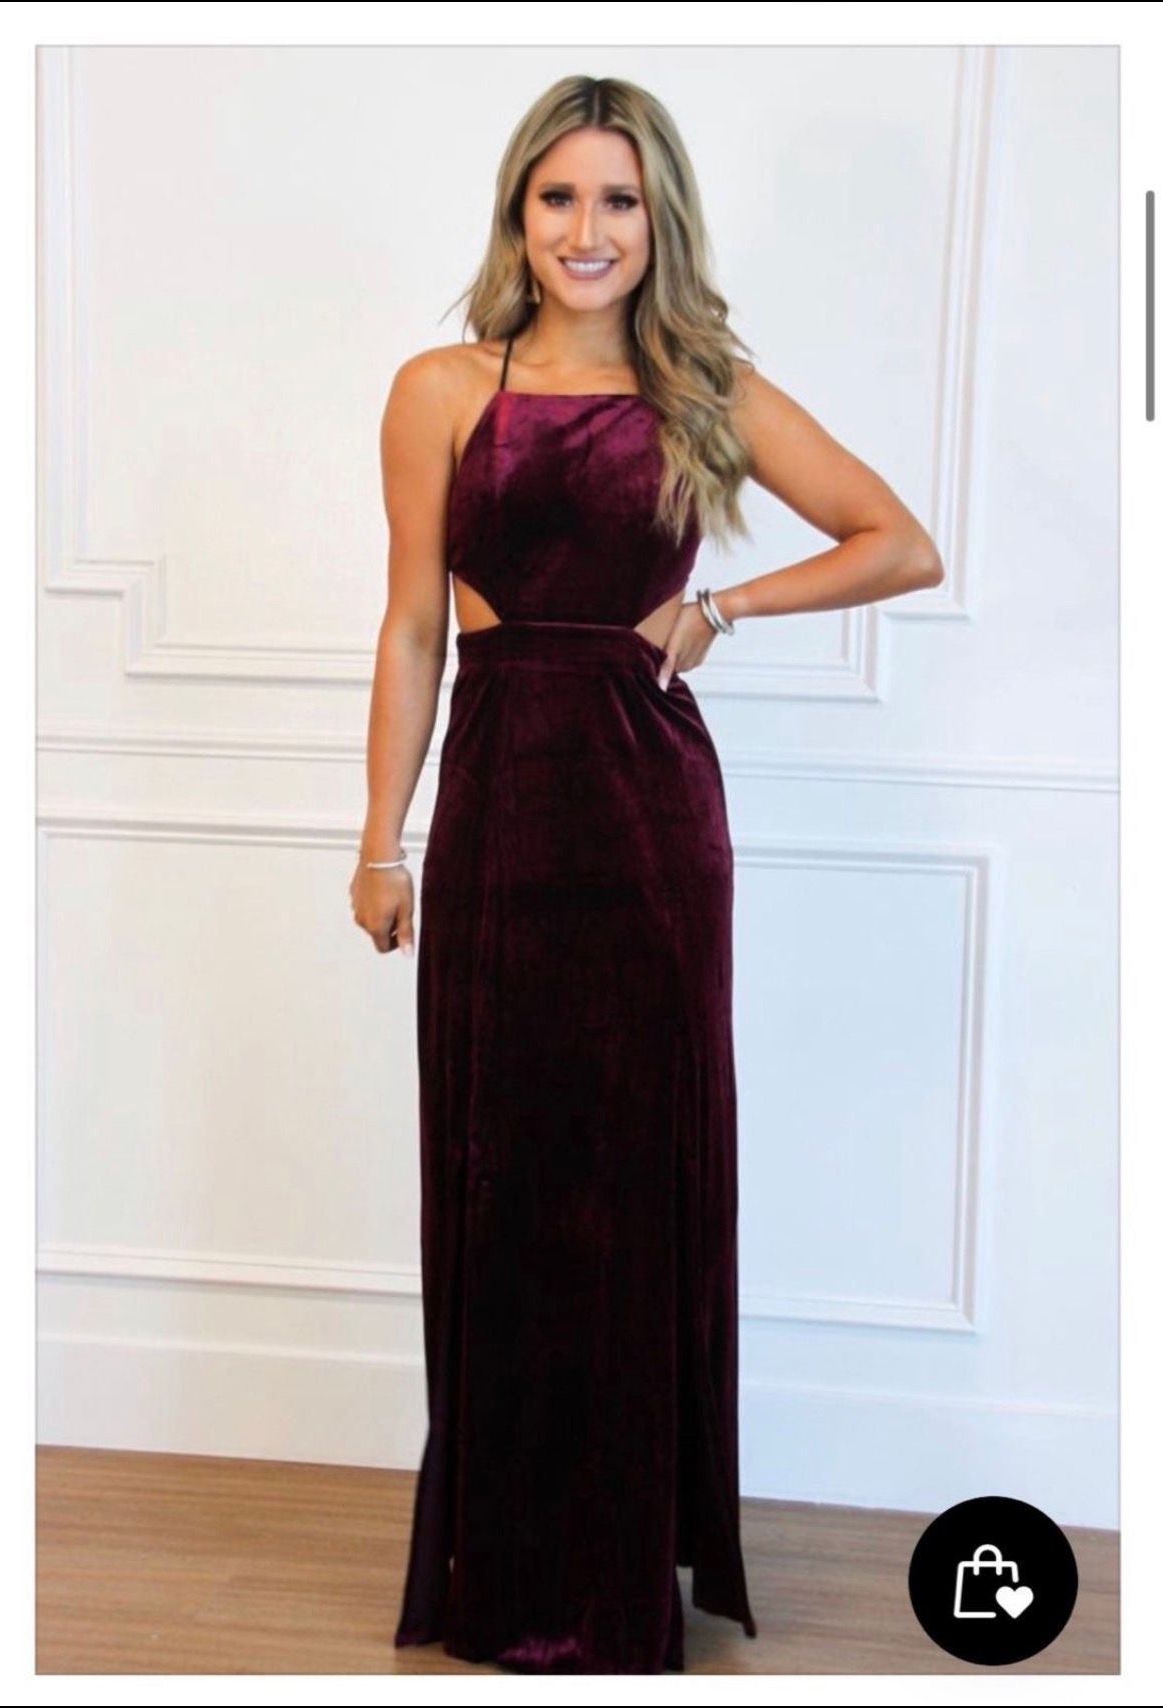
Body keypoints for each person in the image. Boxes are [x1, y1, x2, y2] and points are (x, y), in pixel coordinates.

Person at [349, 74, 943, 1675]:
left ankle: (620, 1567)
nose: (587, 230)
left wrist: (723, 609)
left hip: (648, 816)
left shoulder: (701, 388)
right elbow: (410, 628)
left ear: (659, 219)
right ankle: (506, 1563)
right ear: (517, 214)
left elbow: (899, 540)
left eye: (618, 200)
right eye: (558, 197)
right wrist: (380, 839)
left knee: (627, 1179)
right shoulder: (439, 389)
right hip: (496, 807)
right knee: (499, 1172)